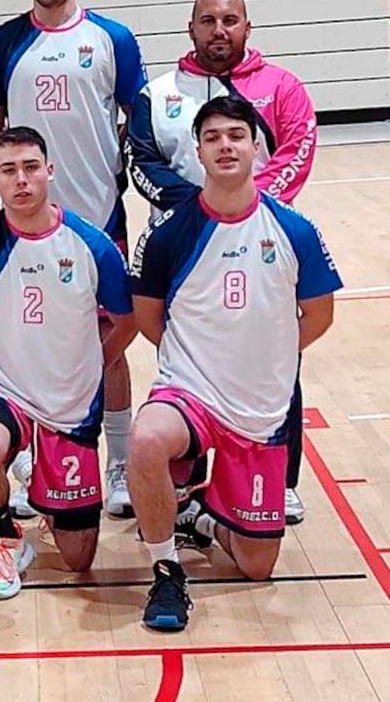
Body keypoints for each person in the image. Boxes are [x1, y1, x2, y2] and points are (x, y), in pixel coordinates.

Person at [128, 95, 340, 632]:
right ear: (198, 152)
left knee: (256, 566)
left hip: (260, 409)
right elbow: (150, 319)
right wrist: (198, 362)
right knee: (147, 439)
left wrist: (266, 354)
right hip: (190, 394)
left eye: (236, 135)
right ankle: (166, 570)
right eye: (212, 137)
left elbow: (319, 315)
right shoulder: (168, 232)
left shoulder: (294, 230)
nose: (225, 145)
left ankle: (202, 513)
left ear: (257, 148)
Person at [0, 0, 148, 519]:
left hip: (97, 217)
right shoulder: (1, 45)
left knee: (109, 345)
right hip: (24, 228)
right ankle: (27, 458)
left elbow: (136, 117)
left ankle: (118, 462)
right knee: (25, 342)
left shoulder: (112, 39)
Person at [128, 0, 319, 523]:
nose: (219, 30)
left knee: (276, 361)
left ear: (247, 27)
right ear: (190, 29)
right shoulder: (159, 93)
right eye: (208, 20)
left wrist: (247, 204)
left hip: (261, 247)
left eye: (230, 20)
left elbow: (298, 148)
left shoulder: (281, 87)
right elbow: (141, 159)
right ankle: (185, 482)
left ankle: (279, 481)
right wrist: (200, 210)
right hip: (187, 253)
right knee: (186, 361)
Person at [0, 126, 136, 600]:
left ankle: (50, 498)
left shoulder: (92, 245)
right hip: (2, 388)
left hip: (69, 403)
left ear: (49, 171)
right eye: (8, 170)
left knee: (78, 559)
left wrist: (94, 364)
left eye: (31, 167)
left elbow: (127, 320)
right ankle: (7, 538)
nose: (21, 180)